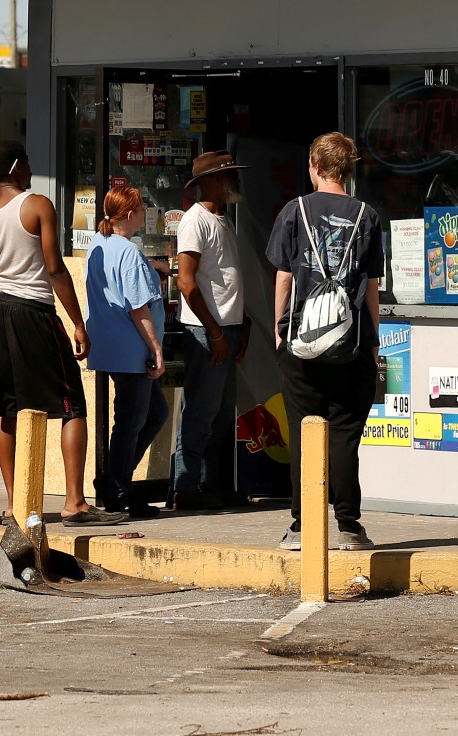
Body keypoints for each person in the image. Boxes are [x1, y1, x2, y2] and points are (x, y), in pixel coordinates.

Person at [0, 140, 125, 527]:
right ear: (17, 166)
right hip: (33, 310)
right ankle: (75, 503)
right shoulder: (36, 205)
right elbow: (55, 269)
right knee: (72, 404)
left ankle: (13, 504)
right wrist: (77, 322)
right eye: (29, 162)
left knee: (4, 409)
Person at [266, 132, 383, 551]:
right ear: (347, 170)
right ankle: (349, 526)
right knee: (345, 433)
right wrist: (373, 338)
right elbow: (371, 285)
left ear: (315, 166)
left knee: (304, 431)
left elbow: (283, 276)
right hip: (352, 343)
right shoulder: (367, 215)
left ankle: (301, 526)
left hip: (302, 342)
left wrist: (279, 328)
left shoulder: (294, 211)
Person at [172, 150, 253, 510]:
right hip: (209, 332)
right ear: (213, 180)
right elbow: (186, 284)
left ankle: (209, 485)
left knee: (220, 414)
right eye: (229, 175)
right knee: (200, 413)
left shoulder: (222, 219)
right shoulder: (195, 220)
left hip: (227, 328)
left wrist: (241, 323)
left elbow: (225, 281)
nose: (235, 180)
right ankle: (185, 487)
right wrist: (216, 331)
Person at [85, 186, 170, 519]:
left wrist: (151, 266)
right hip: (133, 349)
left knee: (151, 415)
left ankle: (115, 480)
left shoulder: (100, 243)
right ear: (132, 214)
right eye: (141, 207)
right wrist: (156, 349)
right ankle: (118, 488)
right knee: (132, 422)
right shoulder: (128, 251)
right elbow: (139, 308)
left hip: (112, 345)